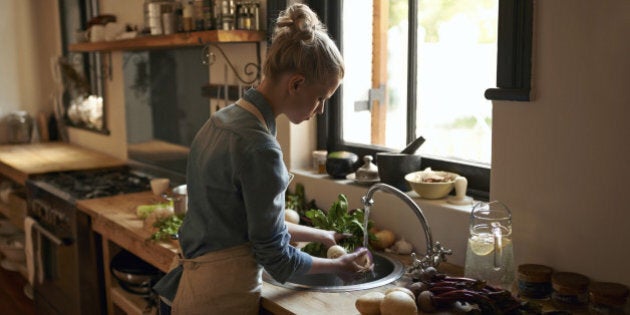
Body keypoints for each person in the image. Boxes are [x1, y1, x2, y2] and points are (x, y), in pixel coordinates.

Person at [153, 3, 370, 314]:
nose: (321, 109)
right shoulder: (260, 148)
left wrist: (320, 234)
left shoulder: (221, 120)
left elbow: (240, 223)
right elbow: (277, 257)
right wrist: (338, 266)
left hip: (184, 290)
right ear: (296, 84)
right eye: (321, 97)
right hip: (216, 300)